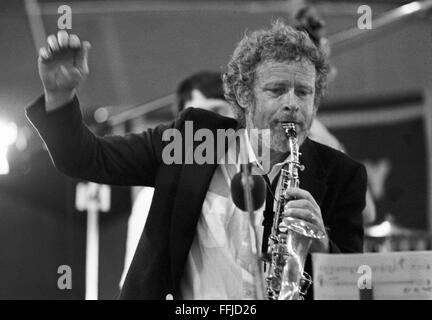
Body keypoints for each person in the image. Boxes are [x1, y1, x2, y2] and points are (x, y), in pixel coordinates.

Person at [27, 21, 367, 299]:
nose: (293, 103)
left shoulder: (341, 174)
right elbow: (87, 158)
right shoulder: (194, 139)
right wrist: (59, 95)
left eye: (304, 92)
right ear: (244, 96)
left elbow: (354, 285)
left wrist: (320, 244)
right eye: (277, 90)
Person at [120, 71, 234, 288]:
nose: (209, 125)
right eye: (197, 117)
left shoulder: (253, 187)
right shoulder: (154, 196)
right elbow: (138, 281)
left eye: (218, 111)